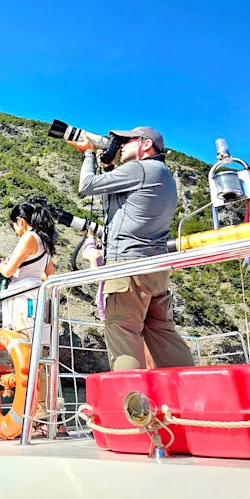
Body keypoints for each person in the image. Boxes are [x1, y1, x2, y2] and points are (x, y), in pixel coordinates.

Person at [67, 127, 195, 371]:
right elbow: (115, 208)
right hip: (154, 269)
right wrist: (108, 168)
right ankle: (191, 389)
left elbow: (86, 186)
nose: (121, 145)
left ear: (146, 144)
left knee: (122, 331)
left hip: (127, 267)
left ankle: (131, 395)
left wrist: (88, 154)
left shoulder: (140, 168)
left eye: (127, 140)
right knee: (163, 335)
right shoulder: (162, 174)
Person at [0, 203, 56, 335]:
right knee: (34, 338)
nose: (15, 232)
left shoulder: (28, 237)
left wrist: (1, 266)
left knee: (22, 337)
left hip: (21, 296)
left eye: (13, 226)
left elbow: (8, 272)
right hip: (36, 295)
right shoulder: (45, 242)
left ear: (20, 221)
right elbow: (50, 275)